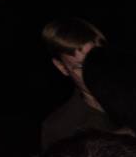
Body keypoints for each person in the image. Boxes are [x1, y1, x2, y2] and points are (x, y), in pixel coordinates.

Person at [39, 18, 111, 149]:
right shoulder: (60, 128)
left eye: (98, 60)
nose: (93, 73)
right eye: (80, 67)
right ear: (62, 67)